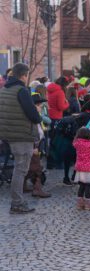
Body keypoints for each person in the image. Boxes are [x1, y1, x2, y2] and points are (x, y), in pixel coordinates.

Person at [0, 63, 42, 213]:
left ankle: (17, 202)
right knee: (20, 170)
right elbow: (34, 117)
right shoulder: (22, 91)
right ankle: (17, 203)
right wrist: (37, 111)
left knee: (18, 169)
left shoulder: (4, 89)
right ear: (24, 75)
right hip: (22, 135)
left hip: (8, 134)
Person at [23, 94, 51, 198]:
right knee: (37, 168)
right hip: (33, 145)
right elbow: (32, 132)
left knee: (30, 167)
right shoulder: (32, 117)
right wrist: (34, 146)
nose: (41, 107)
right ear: (34, 106)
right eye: (39, 105)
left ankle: (24, 186)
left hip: (35, 144)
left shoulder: (36, 116)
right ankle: (37, 189)